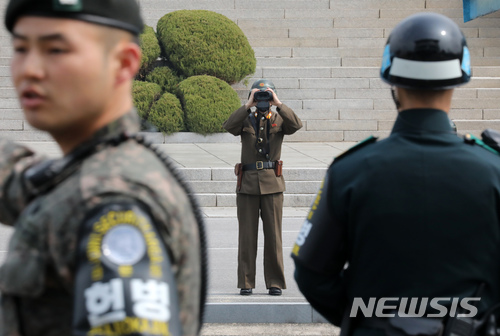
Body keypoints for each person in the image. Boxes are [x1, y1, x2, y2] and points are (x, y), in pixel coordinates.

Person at [0, 1, 207, 335]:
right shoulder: (96, 168)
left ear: (123, 64)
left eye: (55, 49)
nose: (30, 69)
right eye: (21, 48)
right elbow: (25, 181)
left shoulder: (114, 203)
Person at [292, 12, 500, 336]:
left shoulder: (349, 171)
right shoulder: (494, 170)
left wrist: (366, 318)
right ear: (461, 76)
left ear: (392, 80)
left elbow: (311, 274)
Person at [223, 79, 302, 296]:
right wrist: (247, 105)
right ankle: (246, 283)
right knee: (246, 236)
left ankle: (275, 282)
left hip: (272, 185)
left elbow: (296, 125)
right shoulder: (245, 120)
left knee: (274, 236)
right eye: (259, 96)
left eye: (266, 95)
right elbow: (228, 126)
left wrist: (279, 103)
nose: (263, 100)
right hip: (247, 184)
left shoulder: (279, 119)